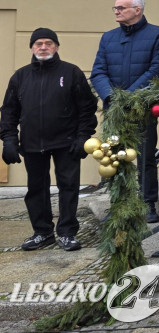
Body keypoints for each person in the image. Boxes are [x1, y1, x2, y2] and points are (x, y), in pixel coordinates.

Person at [2, 29, 97, 252]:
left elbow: (87, 108)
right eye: (38, 44)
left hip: (67, 143)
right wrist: (8, 140)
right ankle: (43, 233)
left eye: (48, 43)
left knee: (68, 187)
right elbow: (9, 111)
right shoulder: (20, 77)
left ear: (56, 46)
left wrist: (83, 137)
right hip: (32, 144)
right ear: (32, 48)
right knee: (36, 189)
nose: (43, 47)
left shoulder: (71, 72)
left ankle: (67, 233)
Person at [90, 0, 159, 222]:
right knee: (115, 158)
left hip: (142, 107)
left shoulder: (157, 34)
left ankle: (147, 205)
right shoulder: (108, 38)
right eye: (115, 8)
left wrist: (129, 97)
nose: (116, 11)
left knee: (146, 157)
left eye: (121, 8)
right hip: (115, 109)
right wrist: (111, 97)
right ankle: (119, 205)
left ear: (138, 10)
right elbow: (98, 72)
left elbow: (157, 69)